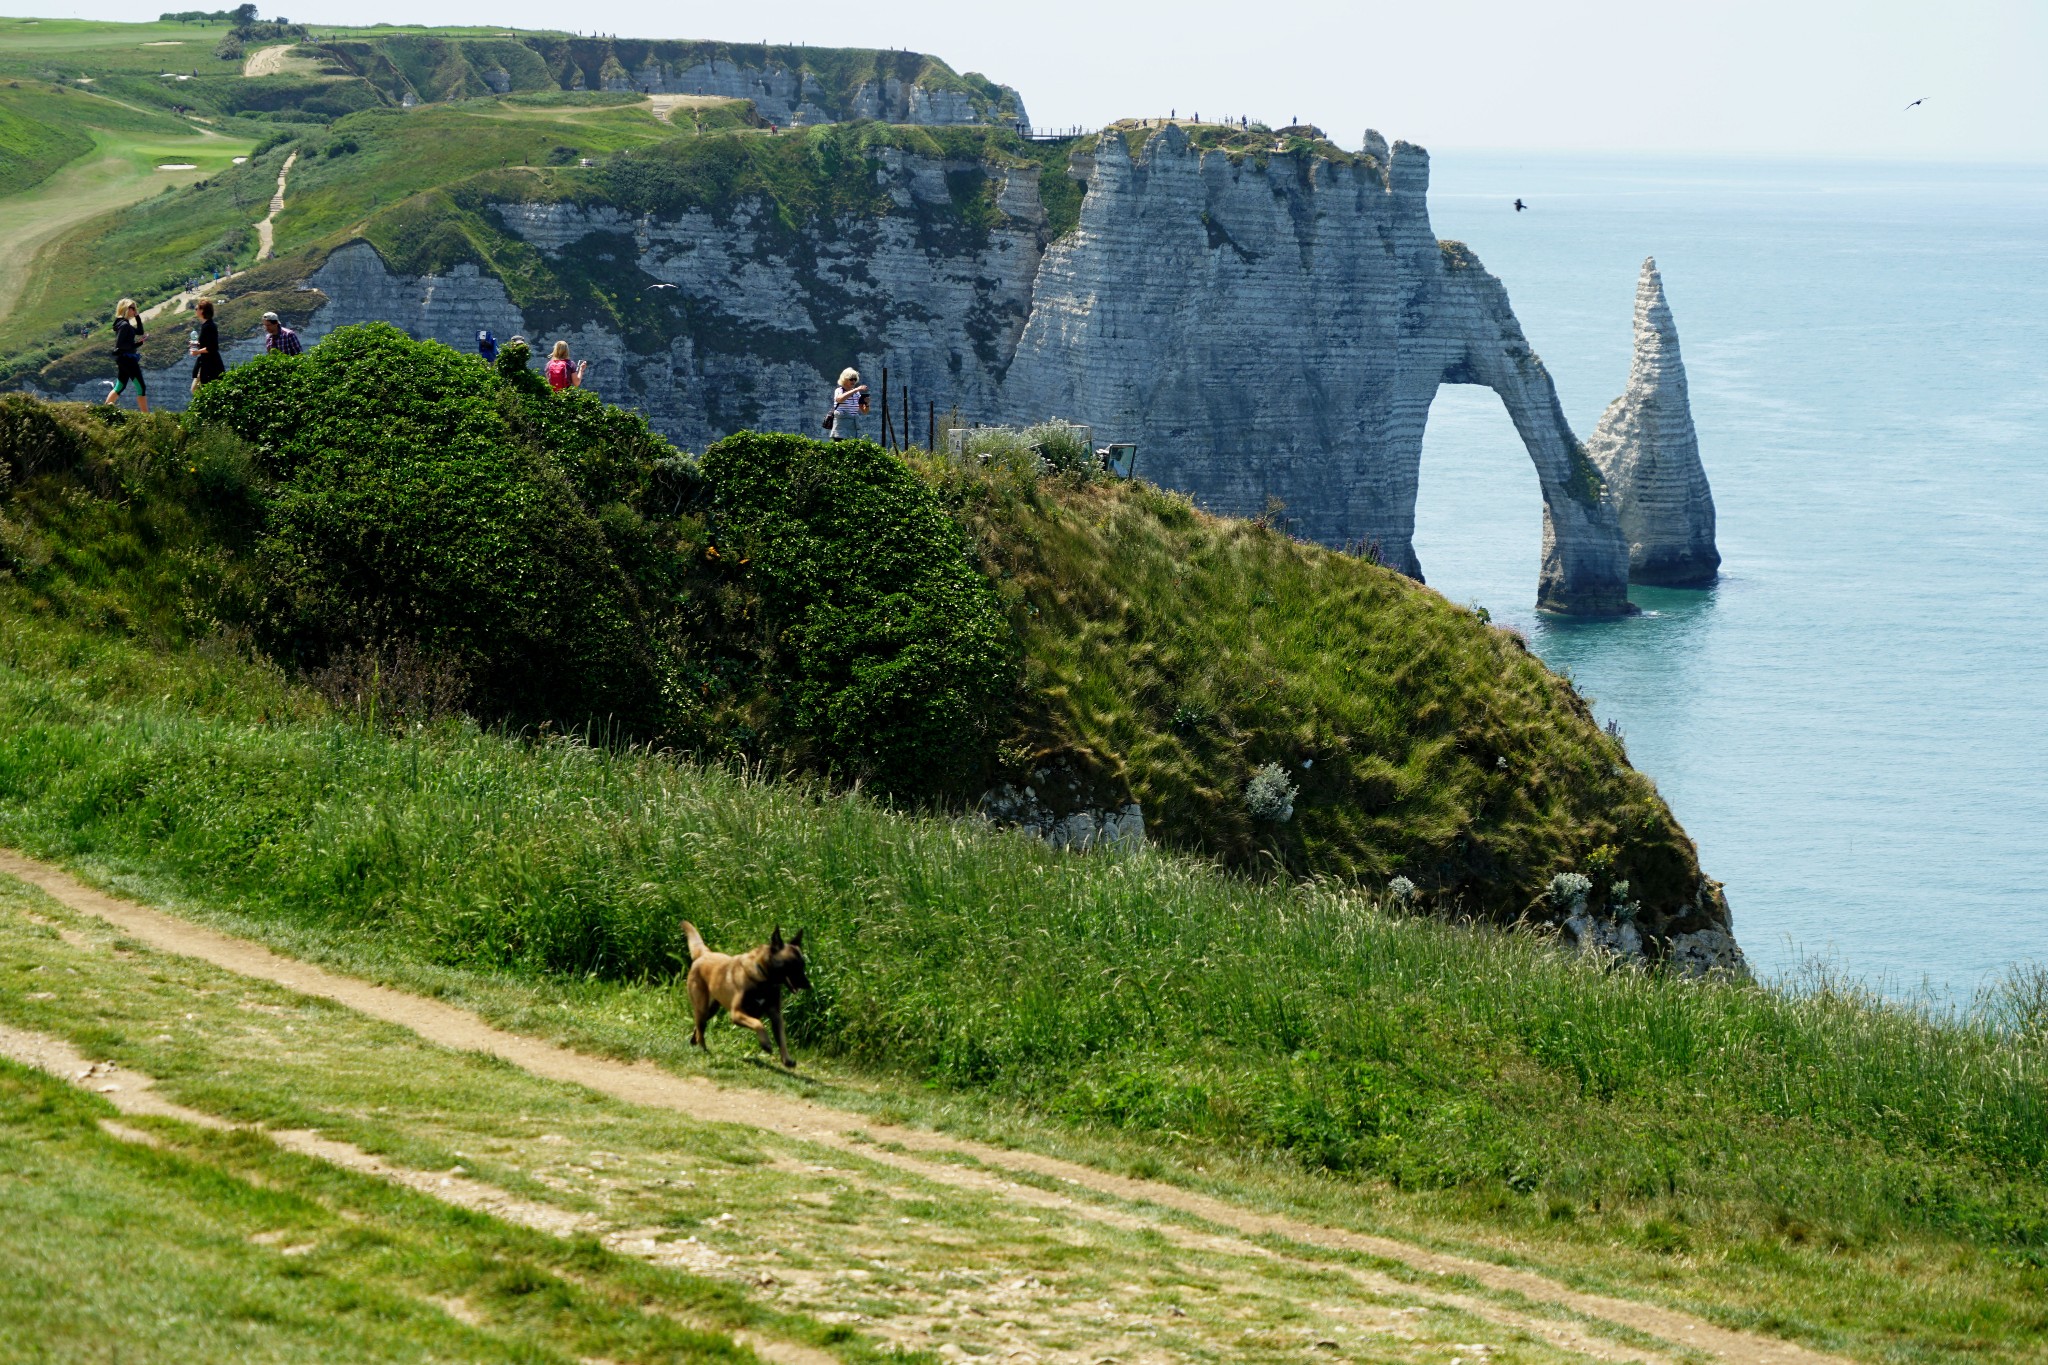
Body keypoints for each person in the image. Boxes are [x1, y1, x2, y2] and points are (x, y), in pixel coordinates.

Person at [105, 298, 149, 412]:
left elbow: (139, 331)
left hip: (123, 359)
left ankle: (105, 409)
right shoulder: (124, 325)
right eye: (133, 308)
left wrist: (137, 317)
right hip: (128, 360)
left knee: (120, 386)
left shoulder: (123, 324)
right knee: (141, 387)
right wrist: (135, 344)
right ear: (126, 308)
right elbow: (120, 344)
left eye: (135, 308)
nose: (135, 310)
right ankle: (146, 416)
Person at [189, 298, 224, 392]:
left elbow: (212, 347)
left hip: (211, 364)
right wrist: (197, 344)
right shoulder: (206, 325)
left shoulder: (209, 326)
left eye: (197, 309)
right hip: (206, 363)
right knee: (197, 389)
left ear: (202, 311)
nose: (195, 310)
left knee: (198, 390)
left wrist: (197, 351)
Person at [827, 366, 867, 440]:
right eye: (851, 379)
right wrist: (856, 389)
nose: (853, 381)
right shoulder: (839, 390)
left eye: (855, 379)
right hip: (841, 425)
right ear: (844, 379)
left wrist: (867, 404)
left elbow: (864, 411)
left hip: (852, 425)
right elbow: (839, 399)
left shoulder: (857, 393)